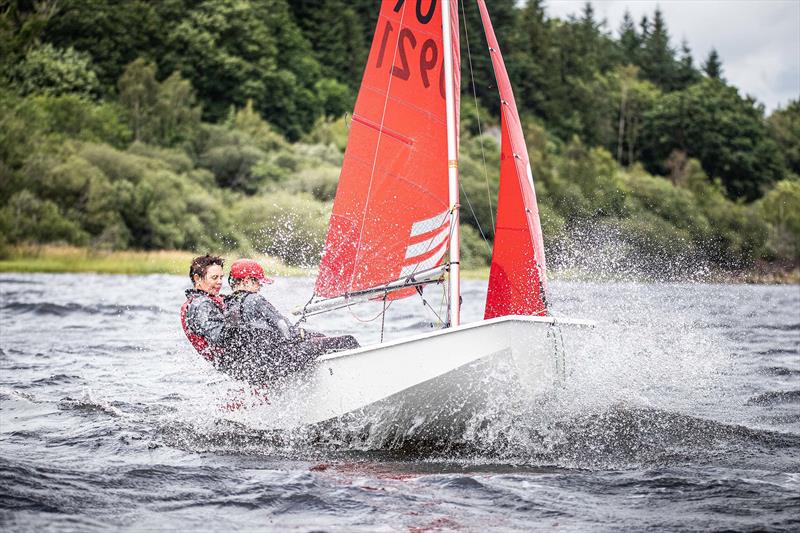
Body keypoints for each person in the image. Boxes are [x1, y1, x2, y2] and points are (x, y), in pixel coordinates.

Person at [222, 259, 360, 384]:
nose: (260, 287)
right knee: (345, 340)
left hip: (255, 368)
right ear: (246, 281)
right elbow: (286, 329)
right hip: (277, 363)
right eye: (258, 282)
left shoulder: (227, 305)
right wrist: (306, 334)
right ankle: (352, 381)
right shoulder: (255, 299)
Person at [180, 255, 226, 364]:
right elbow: (220, 337)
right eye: (214, 277)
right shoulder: (201, 305)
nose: (220, 282)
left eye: (221, 277)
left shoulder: (204, 300)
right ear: (197, 278)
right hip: (234, 361)